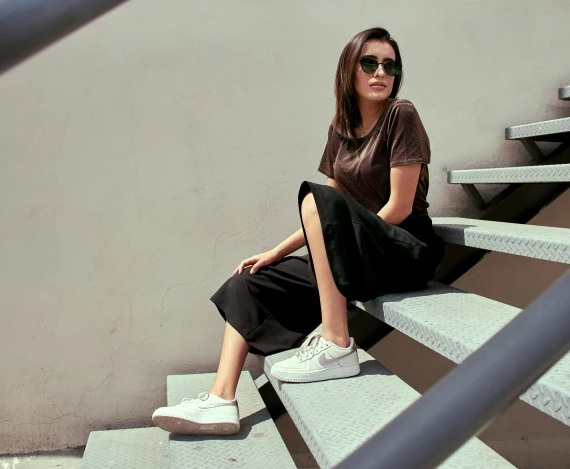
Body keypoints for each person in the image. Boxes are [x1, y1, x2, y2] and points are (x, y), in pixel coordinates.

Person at [151, 27, 446, 435]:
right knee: (248, 281)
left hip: (403, 246)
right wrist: (276, 251)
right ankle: (222, 400)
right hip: (357, 245)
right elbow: (326, 209)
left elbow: (397, 207)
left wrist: (346, 242)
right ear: (350, 70)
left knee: (314, 197)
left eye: (390, 65)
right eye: (370, 63)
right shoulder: (340, 129)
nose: (381, 72)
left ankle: (337, 342)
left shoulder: (402, 115)